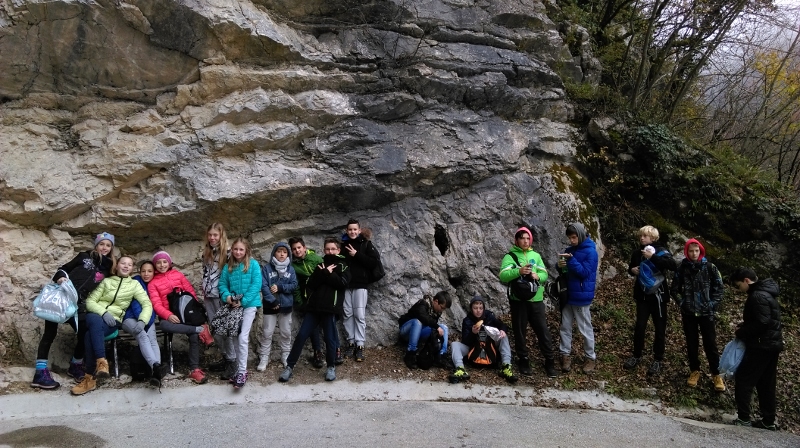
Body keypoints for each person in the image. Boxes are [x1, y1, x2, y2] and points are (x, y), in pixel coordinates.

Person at [32, 232, 117, 390]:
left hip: (79, 305)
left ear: (111, 248)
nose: (104, 248)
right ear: (96, 245)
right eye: (101, 244)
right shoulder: (83, 256)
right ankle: (40, 372)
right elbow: (63, 269)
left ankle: (75, 365)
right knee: (49, 334)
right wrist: (60, 277)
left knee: (84, 333)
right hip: (61, 299)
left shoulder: (109, 268)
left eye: (108, 245)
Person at [71, 256, 153, 395]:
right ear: (117, 266)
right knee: (93, 318)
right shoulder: (107, 281)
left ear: (132, 269)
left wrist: (142, 320)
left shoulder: (134, 285)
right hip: (98, 315)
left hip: (113, 321)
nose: (126, 266)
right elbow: (90, 301)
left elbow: (147, 304)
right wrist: (103, 313)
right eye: (123, 263)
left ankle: (89, 378)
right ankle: (102, 363)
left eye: (129, 264)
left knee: (88, 335)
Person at [280, 237, 350, 383]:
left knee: (330, 339)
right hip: (314, 307)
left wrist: (329, 274)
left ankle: (331, 367)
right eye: (327, 249)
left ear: (338, 250)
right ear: (324, 250)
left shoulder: (343, 266)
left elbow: (341, 283)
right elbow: (311, 284)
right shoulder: (321, 265)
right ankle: (289, 367)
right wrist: (323, 273)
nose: (330, 251)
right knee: (301, 335)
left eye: (333, 249)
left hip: (330, 308)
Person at [498, 226, 557, 378]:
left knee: (543, 331)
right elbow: (503, 275)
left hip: (536, 300)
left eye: (527, 238)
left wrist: (537, 276)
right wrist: (518, 271)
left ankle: (549, 361)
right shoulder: (510, 256)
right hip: (518, 301)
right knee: (519, 331)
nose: (525, 241)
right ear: (516, 240)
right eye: (522, 238)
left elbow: (544, 274)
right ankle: (523, 360)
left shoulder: (536, 256)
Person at [731, 267, 784, 430]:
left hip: (761, 345)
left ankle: (744, 417)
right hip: (772, 344)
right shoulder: (767, 293)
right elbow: (764, 319)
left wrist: (742, 332)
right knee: (766, 383)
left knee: (743, 379)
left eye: (739, 285)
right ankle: (768, 420)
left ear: (746, 280)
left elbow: (762, 323)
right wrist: (746, 325)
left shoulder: (757, 296)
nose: (739, 289)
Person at [148, 250, 213, 384]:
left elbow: (190, 294)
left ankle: (194, 370)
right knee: (165, 325)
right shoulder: (153, 283)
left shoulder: (177, 275)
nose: (162, 265)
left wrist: (195, 313)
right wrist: (168, 315)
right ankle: (200, 329)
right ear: (155, 266)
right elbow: (156, 304)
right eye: (158, 263)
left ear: (169, 263)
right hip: (170, 316)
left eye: (164, 261)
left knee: (193, 336)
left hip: (186, 315)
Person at [671, 239, 725, 391]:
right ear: (687, 252)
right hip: (689, 313)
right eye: (691, 251)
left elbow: (719, 288)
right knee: (692, 343)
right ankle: (694, 371)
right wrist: (683, 303)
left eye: (697, 251)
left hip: (706, 313)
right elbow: (674, 289)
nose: (694, 254)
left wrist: (712, 304)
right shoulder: (682, 267)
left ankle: (716, 374)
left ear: (701, 251)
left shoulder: (710, 267)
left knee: (711, 344)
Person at [623, 225, 676, 376]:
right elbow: (631, 268)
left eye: (645, 236)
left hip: (659, 296)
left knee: (659, 329)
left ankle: (658, 359)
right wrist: (632, 270)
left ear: (653, 238)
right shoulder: (637, 252)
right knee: (640, 326)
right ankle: (636, 355)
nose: (641, 238)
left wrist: (652, 257)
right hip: (642, 295)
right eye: (640, 236)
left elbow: (672, 266)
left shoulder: (661, 251)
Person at [219, 237, 262, 389]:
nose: (238, 252)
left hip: (249, 305)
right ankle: (239, 369)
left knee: (243, 337)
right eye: (235, 249)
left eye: (241, 249)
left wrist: (242, 302)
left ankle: (242, 372)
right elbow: (222, 284)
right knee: (236, 337)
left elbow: (256, 284)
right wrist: (228, 297)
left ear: (246, 251)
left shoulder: (253, 265)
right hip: (234, 306)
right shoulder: (228, 267)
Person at [557, 222, 599, 374]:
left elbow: (585, 272)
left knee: (585, 328)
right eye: (570, 238)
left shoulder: (591, 252)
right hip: (568, 294)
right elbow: (565, 272)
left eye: (574, 237)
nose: (572, 241)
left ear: (581, 235)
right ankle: (565, 354)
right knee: (565, 326)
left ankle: (590, 357)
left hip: (581, 296)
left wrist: (571, 260)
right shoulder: (570, 250)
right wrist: (560, 266)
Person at [448, 296, 516, 383]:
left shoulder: (489, 316)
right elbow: (465, 341)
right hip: (473, 348)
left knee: (503, 336)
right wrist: (473, 333)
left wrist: (502, 330)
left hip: (489, 348)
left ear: (483, 308)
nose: (478, 310)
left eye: (480, 308)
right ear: (471, 309)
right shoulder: (467, 320)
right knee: (454, 344)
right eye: (475, 308)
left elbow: (502, 325)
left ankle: (506, 367)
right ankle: (460, 369)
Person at [340, 219, 381, 362]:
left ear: (359, 230)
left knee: (359, 315)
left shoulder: (365, 244)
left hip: (361, 285)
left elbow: (374, 262)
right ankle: (351, 342)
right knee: (347, 314)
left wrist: (356, 254)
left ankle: (360, 345)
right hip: (346, 285)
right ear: (346, 230)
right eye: (350, 229)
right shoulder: (343, 245)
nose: (352, 232)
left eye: (355, 229)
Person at [288, 236, 330, 368]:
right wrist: (300, 302)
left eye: (299, 247)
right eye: (294, 249)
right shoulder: (293, 266)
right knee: (313, 327)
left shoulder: (316, 259)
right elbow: (296, 286)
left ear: (304, 247)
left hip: (323, 296)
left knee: (329, 323)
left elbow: (327, 275)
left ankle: (335, 351)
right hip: (309, 299)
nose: (297, 251)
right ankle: (318, 352)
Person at [201, 222, 234, 374]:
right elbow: (206, 273)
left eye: (215, 235)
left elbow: (232, 276)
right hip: (209, 295)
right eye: (210, 235)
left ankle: (233, 363)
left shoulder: (228, 253)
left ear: (221, 236)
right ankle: (226, 358)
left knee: (225, 329)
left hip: (222, 296)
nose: (212, 238)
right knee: (215, 329)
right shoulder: (207, 253)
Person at [259, 242, 298, 370]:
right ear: (274, 253)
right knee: (267, 332)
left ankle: (286, 355)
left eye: (285, 252)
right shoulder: (267, 268)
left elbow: (294, 285)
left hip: (286, 305)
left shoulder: (290, 269)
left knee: (286, 332)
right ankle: (264, 357)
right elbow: (263, 286)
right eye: (279, 251)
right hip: (270, 305)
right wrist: (272, 301)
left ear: (288, 254)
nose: (281, 254)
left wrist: (280, 287)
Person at [126, 260, 164, 388]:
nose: (146, 274)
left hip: (148, 319)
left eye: (149, 271)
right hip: (131, 318)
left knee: (153, 339)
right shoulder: (136, 282)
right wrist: (144, 322)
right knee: (143, 334)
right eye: (143, 271)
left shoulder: (155, 284)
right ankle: (155, 366)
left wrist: (147, 322)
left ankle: (156, 375)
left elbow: (155, 306)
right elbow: (136, 306)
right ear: (139, 272)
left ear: (154, 272)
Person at [398, 291, 451, 370]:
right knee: (417, 322)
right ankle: (410, 354)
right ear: (436, 301)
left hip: (420, 333)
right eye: (442, 307)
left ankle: (441, 356)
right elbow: (423, 317)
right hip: (406, 332)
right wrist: (436, 327)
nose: (442, 310)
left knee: (443, 327)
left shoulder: (436, 312)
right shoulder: (422, 303)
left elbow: (432, 325)